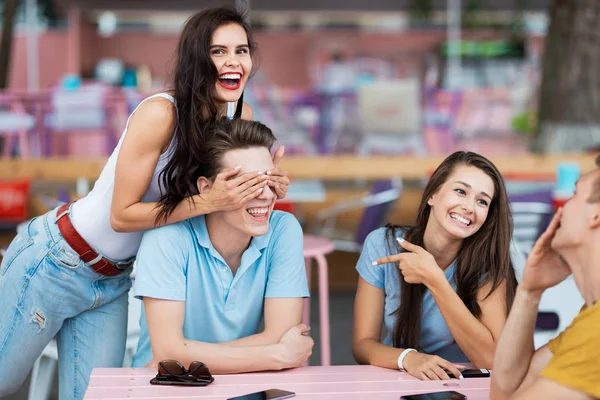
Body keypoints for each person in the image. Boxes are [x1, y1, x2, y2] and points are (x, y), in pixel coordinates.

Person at [0, 6, 290, 399]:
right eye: (218, 51)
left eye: (241, 50)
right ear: (196, 59)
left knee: (92, 395)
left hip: (114, 279)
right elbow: (122, 215)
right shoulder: (160, 112)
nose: (233, 61)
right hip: (57, 259)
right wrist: (209, 202)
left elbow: (219, 198)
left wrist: (264, 186)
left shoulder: (238, 117)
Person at [131, 118, 313, 372]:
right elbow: (169, 354)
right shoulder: (167, 237)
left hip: (245, 390)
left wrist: (185, 356)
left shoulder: (283, 229)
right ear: (207, 188)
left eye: (268, 180)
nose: (267, 195)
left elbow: (282, 335)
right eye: (247, 184)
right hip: (171, 390)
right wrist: (275, 356)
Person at [353, 151, 519, 381]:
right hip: (398, 377)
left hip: (462, 383)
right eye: (461, 191)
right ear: (432, 194)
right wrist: (408, 358)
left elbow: (491, 358)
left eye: (482, 201)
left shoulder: (488, 264)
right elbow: (362, 345)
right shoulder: (382, 245)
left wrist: (435, 280)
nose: (469, 207)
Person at [491, 155, 600, 400]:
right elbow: (506, 390)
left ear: (596, 215)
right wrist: (529, 292)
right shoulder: (590, 315)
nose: (559, 209)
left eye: (574, 195)